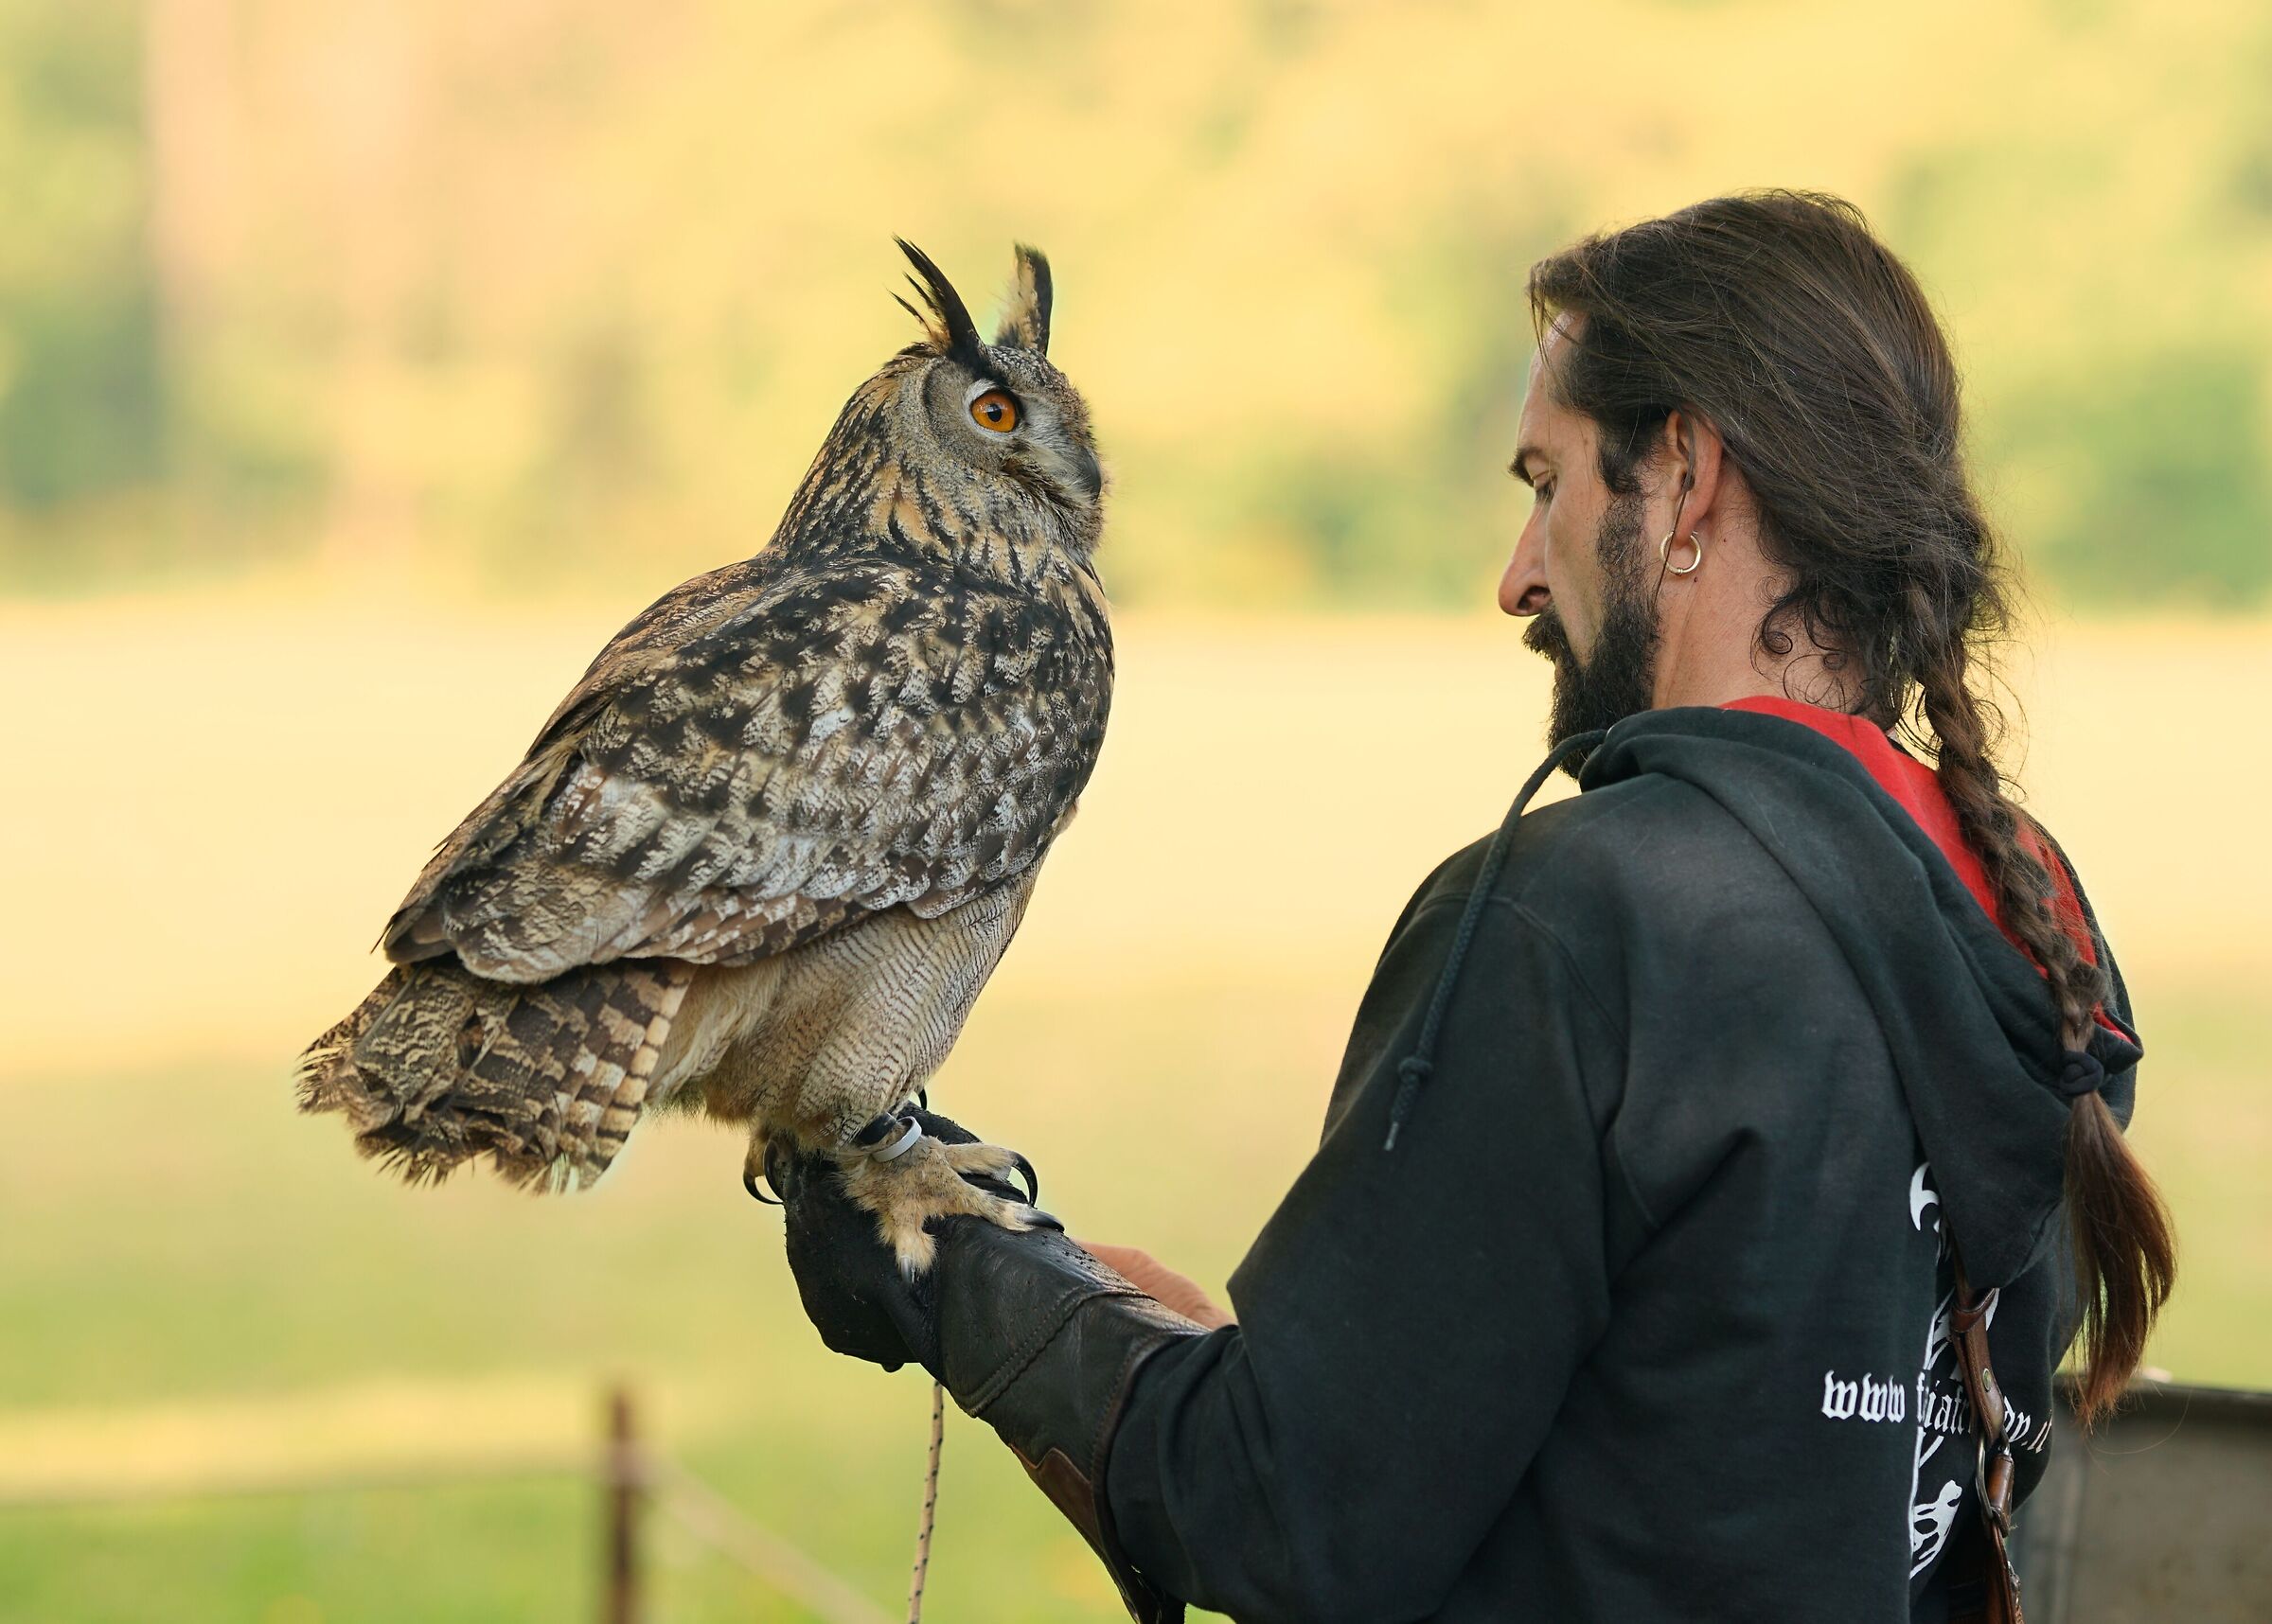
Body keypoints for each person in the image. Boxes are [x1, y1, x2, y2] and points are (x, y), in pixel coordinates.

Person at [768, 191, 2175, 1623]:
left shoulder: (1584, 918)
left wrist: (947, 1266)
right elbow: (1726, 1468)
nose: (1516, 577)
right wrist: (1230, 1359)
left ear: (1684, 479)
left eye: (1545, 483)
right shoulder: (2027, 925)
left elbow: (1283, 1519)